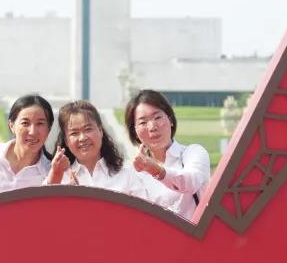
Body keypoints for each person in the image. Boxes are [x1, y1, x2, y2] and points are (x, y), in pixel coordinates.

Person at [45, 100, 183, 213]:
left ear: (100, 131)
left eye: (88, 129)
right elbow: (43, 213)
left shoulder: (126, 175)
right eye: (74, 133)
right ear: (66, 140)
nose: (82, 138)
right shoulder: (59, 178)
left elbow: (144, 219)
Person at [123, 89, 211, 221]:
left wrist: (156, 170)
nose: (152, 127)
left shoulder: (193, 153)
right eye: (143, 122)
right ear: (135, 132)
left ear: (170, 120)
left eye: (157, 117)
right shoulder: (134, 173)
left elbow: (190, 182)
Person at [0, 94, 54, 193]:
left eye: (40, 124)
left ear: (49, 129)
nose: (32, 132)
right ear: (11, 126)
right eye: (25, 123)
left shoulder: (52, 171)